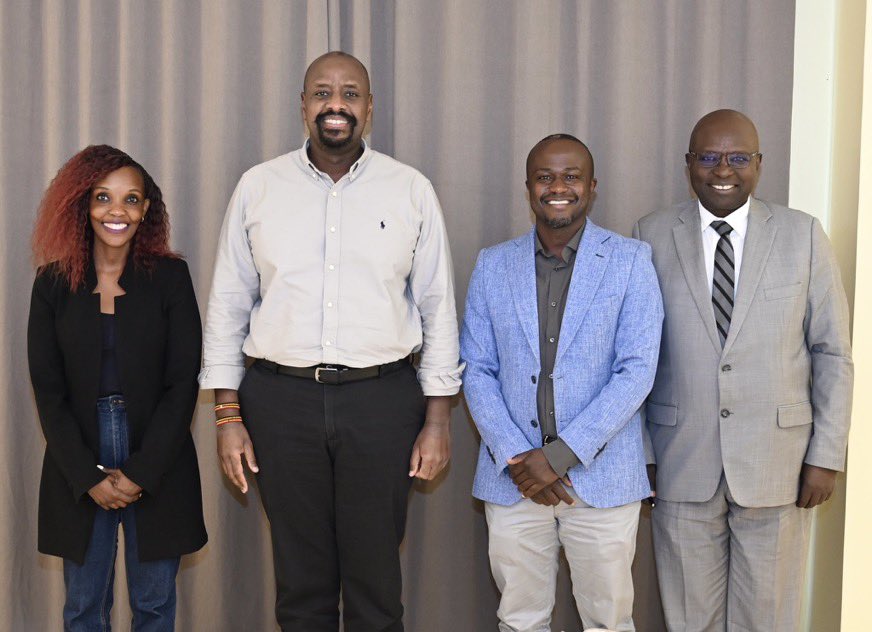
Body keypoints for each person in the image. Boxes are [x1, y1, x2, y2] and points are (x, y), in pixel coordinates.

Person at [199, 51, 461, 631]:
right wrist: (227, 417)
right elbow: (228, 306)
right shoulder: (258, 187)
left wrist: (437, 422)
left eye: (349, 94)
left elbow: (439, 307)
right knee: (301, 583)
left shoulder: (410, 189)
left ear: (369, 108)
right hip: (279, 402)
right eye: (322, 92)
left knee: (375, 583)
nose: (335, 105)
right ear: (302, 105)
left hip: (383, 402)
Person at [634, 109, 853, 631]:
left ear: (759, 164)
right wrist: (640, 452)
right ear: (689, 164)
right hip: (679, 462)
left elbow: (832, 353)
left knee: (769, 620)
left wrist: (826, 455)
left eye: (738, 158)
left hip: (780, 466)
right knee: (690, 620)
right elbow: (635, 354)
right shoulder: (651, 234)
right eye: (708, 157)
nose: (722, 170)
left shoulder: (802, 235)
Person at [461, 134, 664, 632]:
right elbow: (476, 369)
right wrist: (518, 457)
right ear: (528, 187)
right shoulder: (493, 264)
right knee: (520, 619)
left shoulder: (631, 261)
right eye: (545, 176)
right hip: (514, 483)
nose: (559, 186)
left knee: (609, 621)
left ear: (591, 187)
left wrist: (558, 456)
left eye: (571, 176)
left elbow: (636, 371)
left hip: (603, 481)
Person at [27, 145, 207, 631]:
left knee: (154, 606)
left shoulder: (171, 278)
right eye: (104, 197)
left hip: (157, 453)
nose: (117, 211)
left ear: (146, 209)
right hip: (77, 455)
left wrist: (142, 472)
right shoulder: (52, 284)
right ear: (83, 205)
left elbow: (182, 382)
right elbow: (48, 391)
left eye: (131, 200)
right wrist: (87, 476)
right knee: (84, 608)